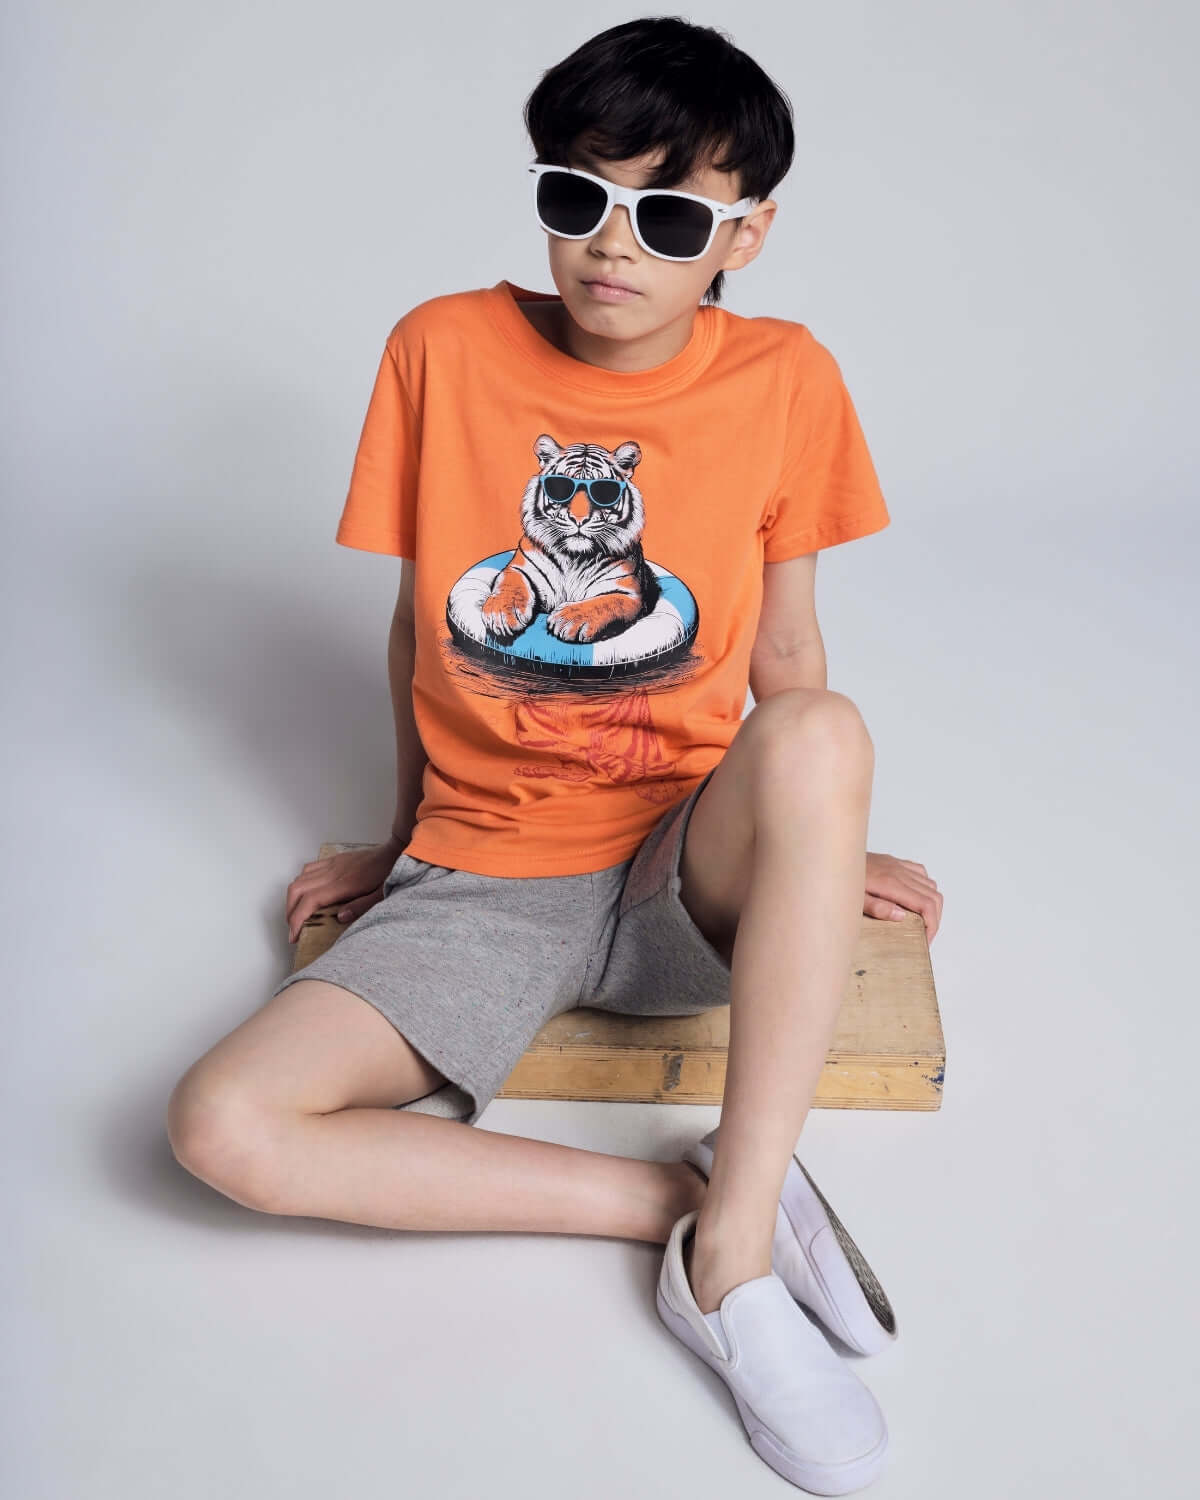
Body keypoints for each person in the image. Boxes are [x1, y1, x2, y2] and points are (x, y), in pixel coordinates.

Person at [167, 16, 942, 1494]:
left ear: (746, 235)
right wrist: (399, 842)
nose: (612, 244)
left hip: (683, 861)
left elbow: (787, 658)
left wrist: (820, 829)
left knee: (825, 732)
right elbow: (420, 625)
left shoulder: (786, 377)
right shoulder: (441, 347)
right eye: (578, 196)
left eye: (669, 215)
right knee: (224, 1126)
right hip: (486, 877)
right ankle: (690, 1213)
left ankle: (735, 1269)